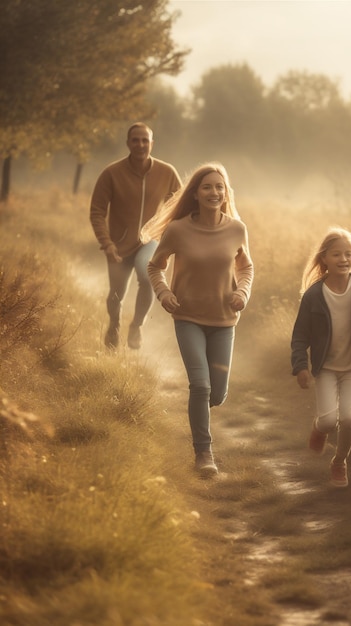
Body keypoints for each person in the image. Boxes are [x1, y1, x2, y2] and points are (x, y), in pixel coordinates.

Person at [142, 162, 253, 477]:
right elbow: (155, 266)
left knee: (216, 393)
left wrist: (242, 293)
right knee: (200, 386)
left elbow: (246, 268)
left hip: (224, 320)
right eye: (207, 186)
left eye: (219, 187)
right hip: (187, 316)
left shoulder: (236, 229)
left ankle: (200, 414)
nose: (214, 192)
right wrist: (164, 294)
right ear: (196, 193)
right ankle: (204, 454)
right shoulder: (178, 230)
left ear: (225, 193)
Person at [291, 227, 351, 488]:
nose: (344, 259)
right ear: (324, 259)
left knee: (348, 417)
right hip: (326, 368)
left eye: (349, 254)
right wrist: (300, 366)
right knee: (330, 420)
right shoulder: (313, 296)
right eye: (336, 254)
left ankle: (339, 461)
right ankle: (319, 428)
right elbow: (300, 335)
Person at [89, 122, 182, 350]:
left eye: (145, 140)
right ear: (128, 143)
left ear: (152, 143)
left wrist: (172, 235)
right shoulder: (111, 173)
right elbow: (97, 212)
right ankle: (114, 324)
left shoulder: (166, 172)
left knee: (147, 275)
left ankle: (137, 326)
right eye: (135, 140)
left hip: (149, 241)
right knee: (116, 294)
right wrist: (107, 243)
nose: (140, 144)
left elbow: (180, 205)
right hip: (118, 246)